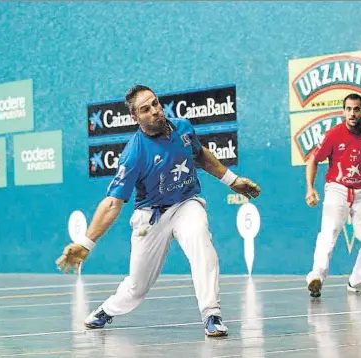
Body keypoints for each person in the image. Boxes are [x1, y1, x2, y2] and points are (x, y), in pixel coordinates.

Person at [56, 85, 261, 337]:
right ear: (135, 118)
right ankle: (107, 310)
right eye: (145, 109)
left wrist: (231, 180)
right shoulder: (134, 153)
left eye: (155, 103)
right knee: (137, 286)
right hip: (150, 217)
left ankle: (212, 314)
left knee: (201, 242)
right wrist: (86, 243)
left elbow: (200, 155)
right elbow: (113, 202)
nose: (155, 111)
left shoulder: (183, 128)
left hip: (186, 203)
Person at [305, 93, 361, 298]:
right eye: (349, 109)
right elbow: (314, 160)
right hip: (337, 188)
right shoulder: (333, 134)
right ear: (344, 111)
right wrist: (310, 188)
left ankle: (358, 280)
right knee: (329, 231)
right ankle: (316, 276)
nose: (352, 113)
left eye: (357, 109)